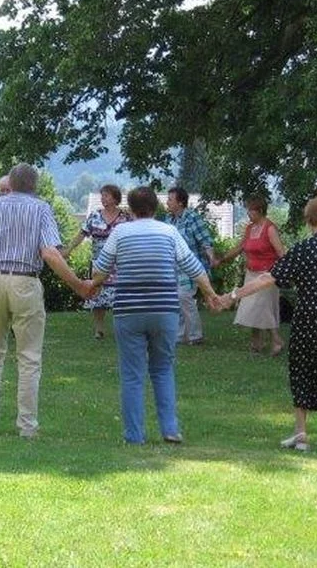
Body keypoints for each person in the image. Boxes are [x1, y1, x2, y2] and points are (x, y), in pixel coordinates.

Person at [0, 163, 94, 438]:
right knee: (29, 356)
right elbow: (51, 253)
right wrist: (77, 285)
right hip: (25, 281)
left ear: (11, 184)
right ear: (34, 185)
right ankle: (27, 426)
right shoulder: (40, 208)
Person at [224, 196, 317, 454]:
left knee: (302, 370)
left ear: (309, 219)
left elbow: (268, 278)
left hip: (307, 319)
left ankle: (301, 435)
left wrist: (234, 295)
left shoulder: (302, 249)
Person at [91, 186, 222, 444]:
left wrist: (90, 286)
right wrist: (210, 294)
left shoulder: (120, 232)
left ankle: (135, 435)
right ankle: (170, 429)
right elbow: (193, 267)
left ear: (130, 208)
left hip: (128, 311)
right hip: (164, 311)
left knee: (132, 374)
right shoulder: (169, 232)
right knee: (163, 369)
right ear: (156, 208)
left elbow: (100, 270)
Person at [216, 195, 287, 356]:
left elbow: (281, 253)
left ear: (260, 211)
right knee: (253, 309)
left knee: (263, 309)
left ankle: (276, 341)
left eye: (250, 210)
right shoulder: (250, 228)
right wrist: (222, 259)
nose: (248, 213)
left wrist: (283, 273)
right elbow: (240, 247)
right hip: (251, 274)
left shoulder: (270, 228)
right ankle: (257, 343)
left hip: (267, 276)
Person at [62, 184, 132, 339]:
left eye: (106, 195)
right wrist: (69, 249)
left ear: (115, 198)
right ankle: (99, 330)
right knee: (97, 296)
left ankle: (121, 329)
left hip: (119, 264)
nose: (103, 199)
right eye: (102, 196)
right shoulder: (94, 216)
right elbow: (82, 234)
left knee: (119, 297)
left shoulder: (125, 217)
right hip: (99, 263)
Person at [165, 186, 216, 345]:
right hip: (173, 268)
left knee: (184, 297)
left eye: (170, 199)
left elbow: (205, 240)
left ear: (180, 203)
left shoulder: (192, 218)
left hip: (190, 267)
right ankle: (180, 336)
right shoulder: (169, 220)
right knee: (175, 300)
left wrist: (212, 259)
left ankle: (195, 335)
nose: (167, 202)